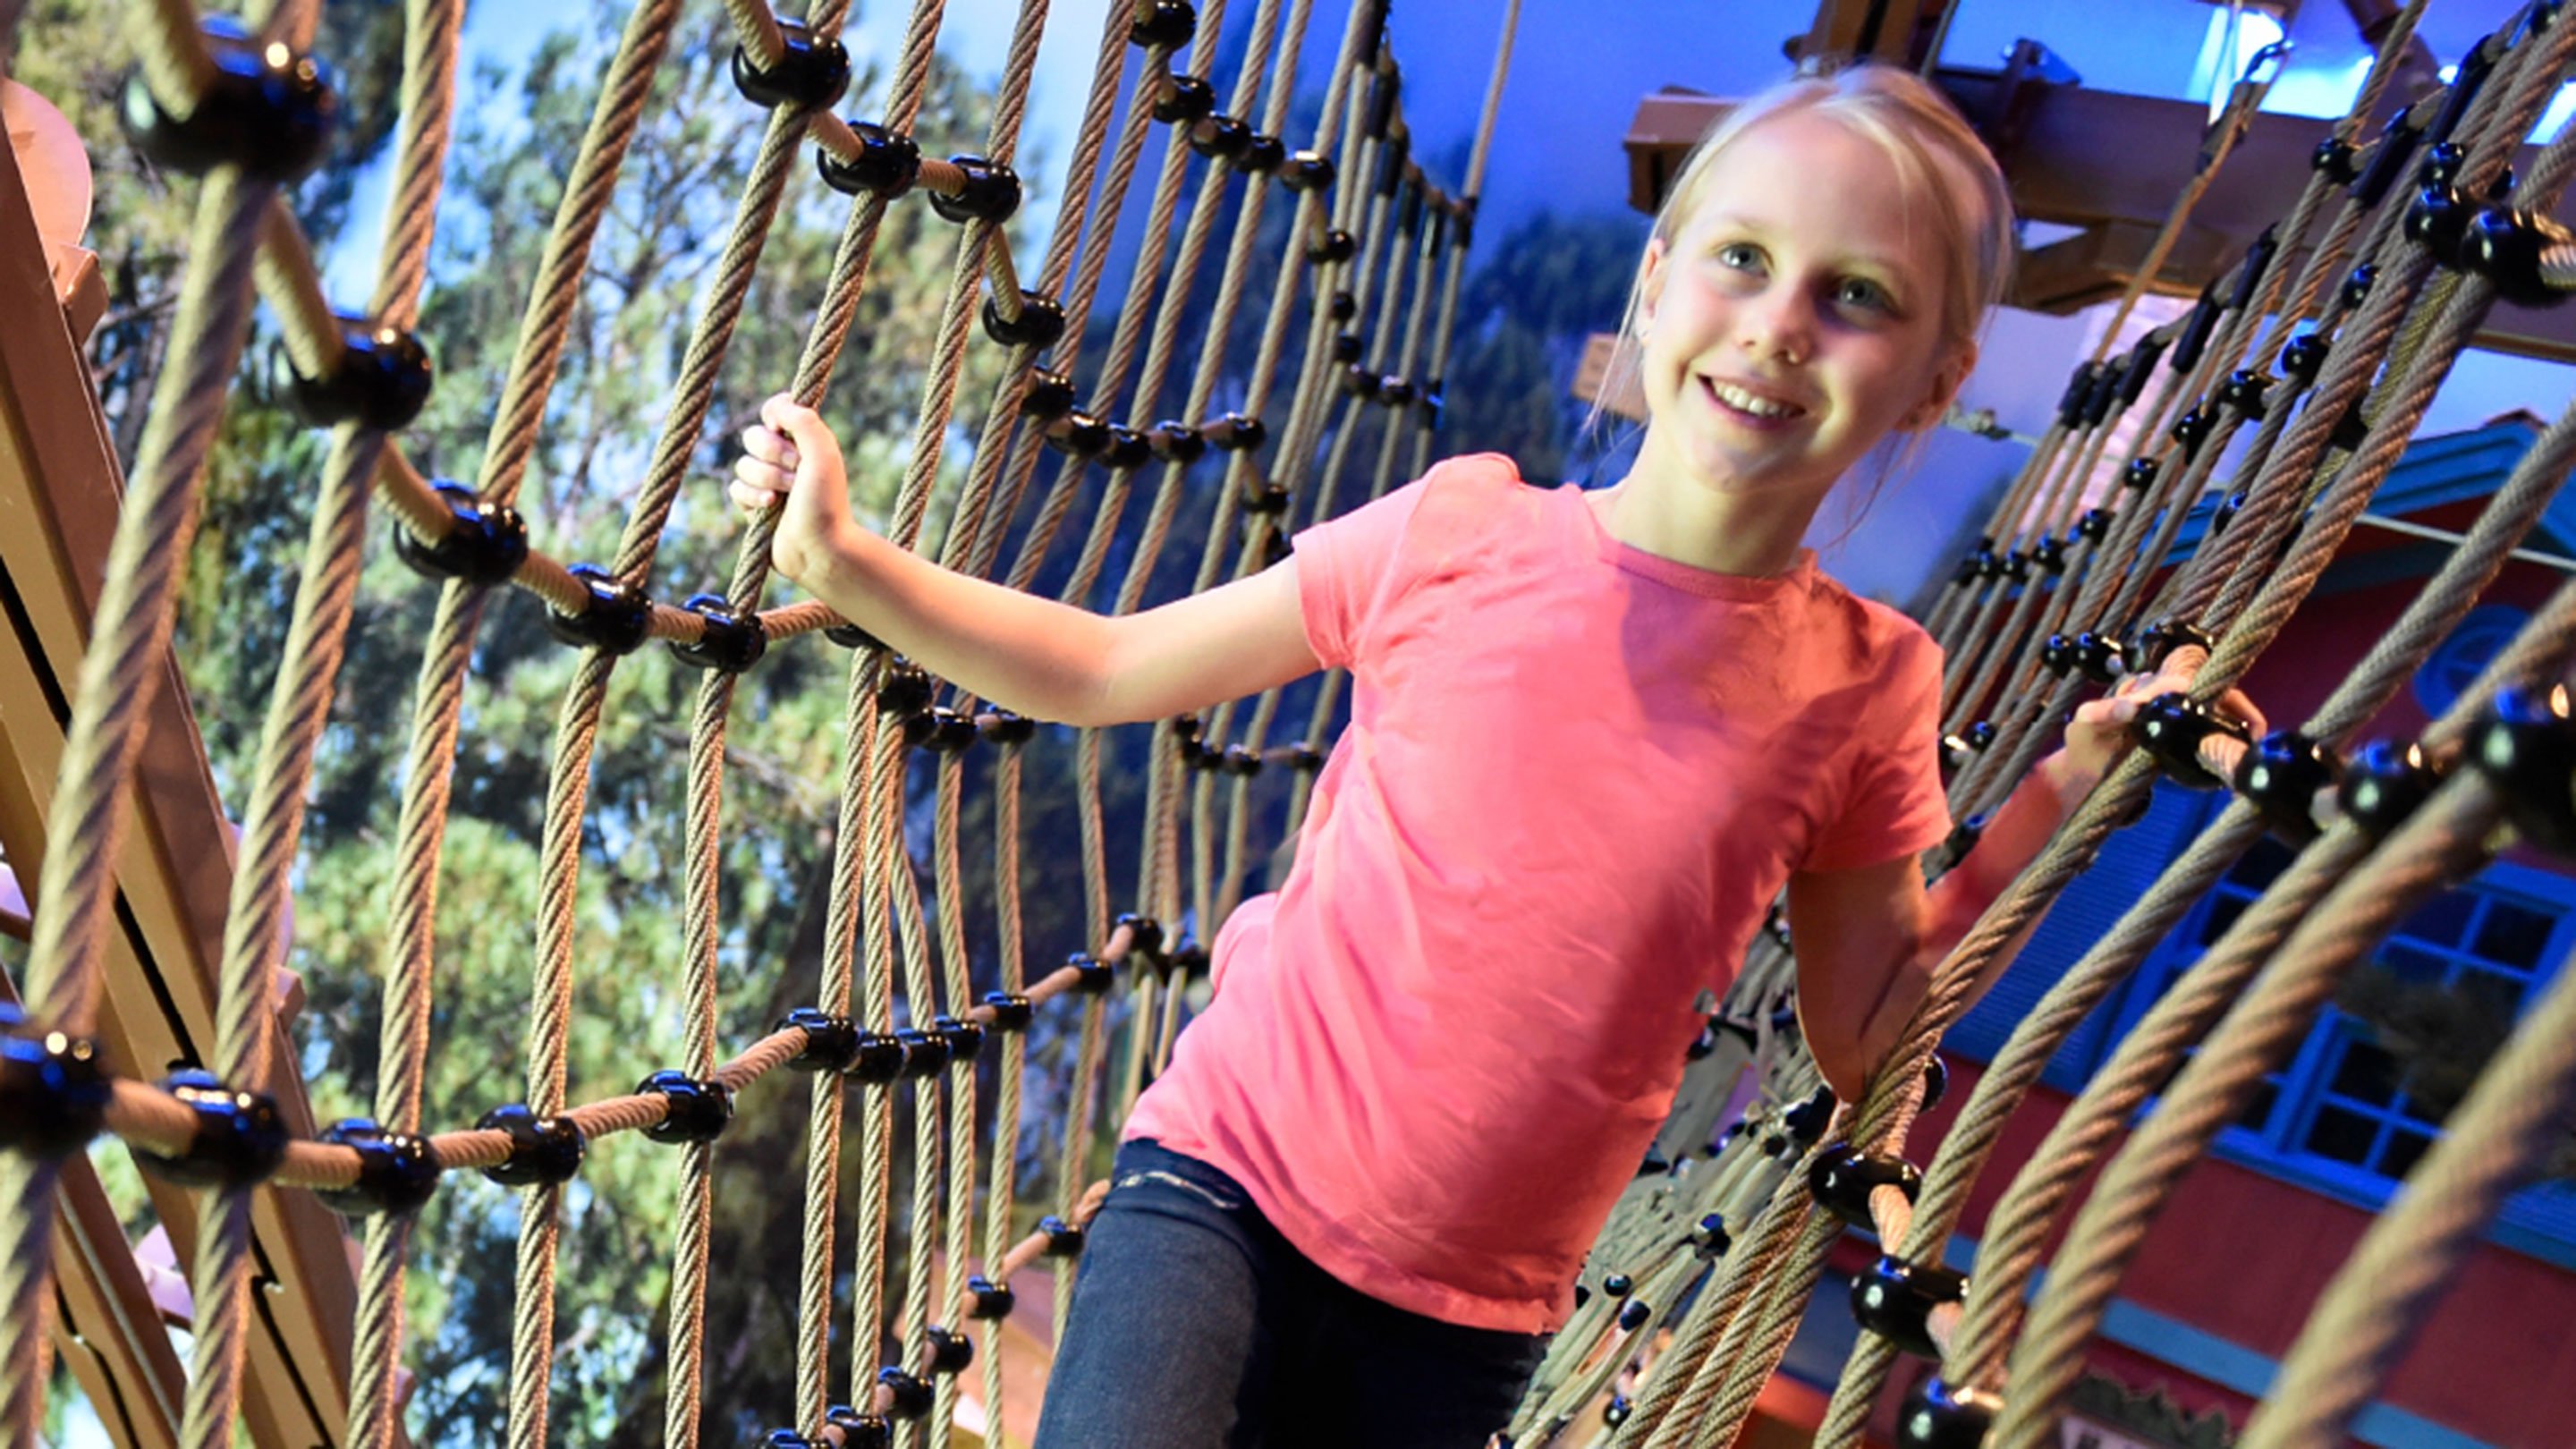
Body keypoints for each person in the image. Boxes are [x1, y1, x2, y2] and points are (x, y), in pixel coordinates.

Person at [729, 63, 2255, 1449]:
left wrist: (2066, 796)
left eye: (1856, 294)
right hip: (1226, 1186)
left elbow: (1868, 1033)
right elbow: (1114, 668)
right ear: (1658, 286)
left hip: (1468, 1320)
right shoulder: (1463, 533)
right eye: (1743, 258)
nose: (1781, 323)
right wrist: (852, 563)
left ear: (1933, 380)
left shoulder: (1868, 685)